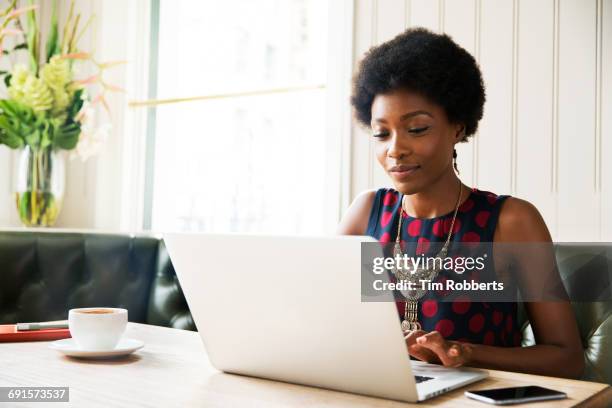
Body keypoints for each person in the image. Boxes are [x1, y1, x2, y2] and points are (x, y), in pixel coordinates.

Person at [337, 27, 583, 378]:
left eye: (417, 129)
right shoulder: (365, 214)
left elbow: (567, 359)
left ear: (457, 126)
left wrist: (465, 354)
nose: (395, 149)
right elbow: (326, 325)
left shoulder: (511, 221)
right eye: (381, 133)